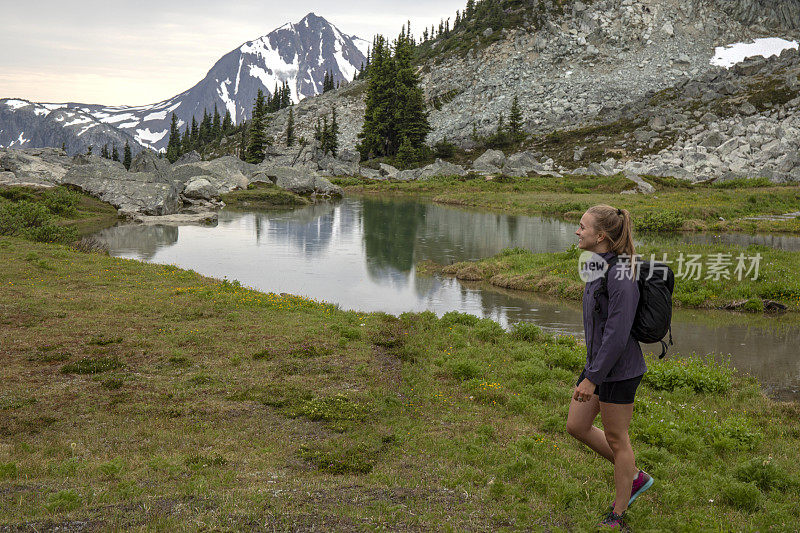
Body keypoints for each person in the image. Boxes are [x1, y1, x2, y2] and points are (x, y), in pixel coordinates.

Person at [567, 205, 653, 530]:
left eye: (582, 226)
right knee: (576, 425)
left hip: (619, 370)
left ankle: (618, 514)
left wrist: (592, 378)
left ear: (600, 235)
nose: (578, 231)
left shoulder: (620, 274)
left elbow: (617, 335)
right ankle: (633, 475)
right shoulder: (596, 266)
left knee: (618, 439)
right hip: (599, 366)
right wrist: (591, 370)